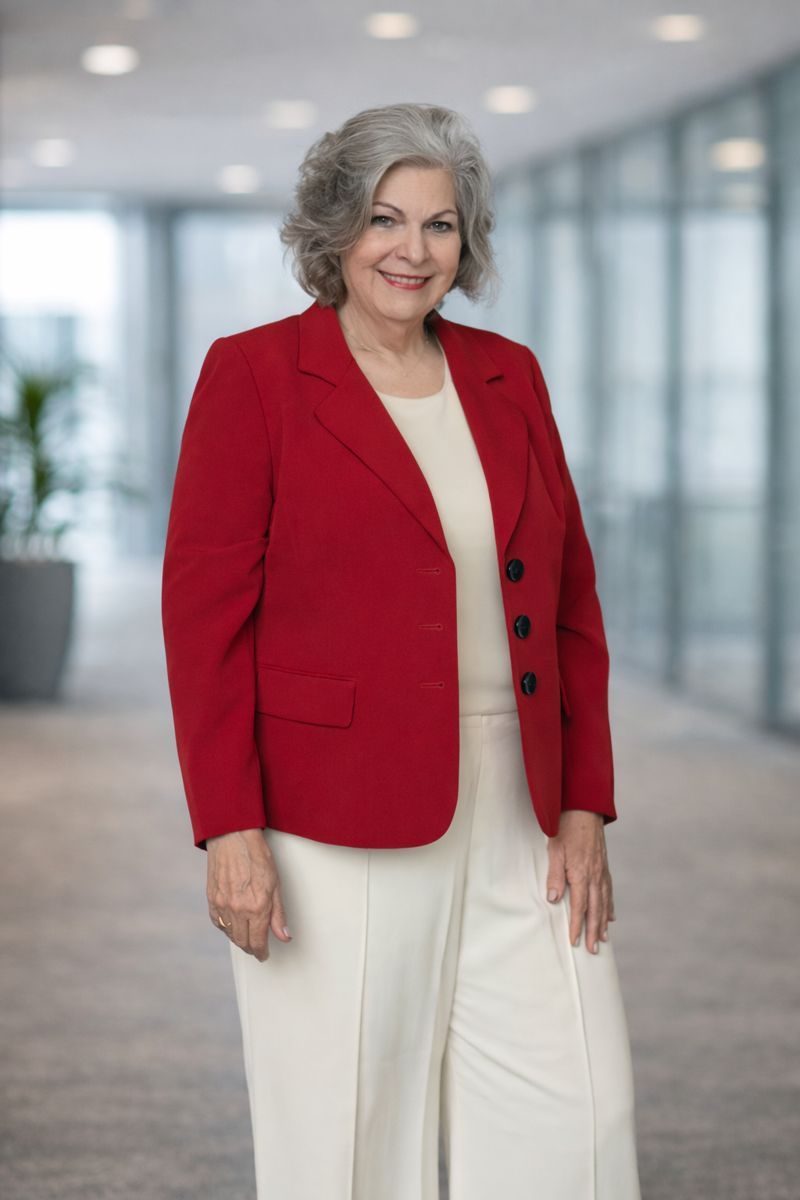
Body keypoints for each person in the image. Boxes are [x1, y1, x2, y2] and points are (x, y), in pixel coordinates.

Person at [161, 101, 642, 1200]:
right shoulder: (255, 377)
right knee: (346, 1130)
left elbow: (570, 605)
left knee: (572, 1107)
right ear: (334, 231)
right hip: (335, 814)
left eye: (439, 226)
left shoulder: (505, 375)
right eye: (385, 220)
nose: (412, 251)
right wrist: (228, 828)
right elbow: (204, 624)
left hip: (519, 801)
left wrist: (584, 804)